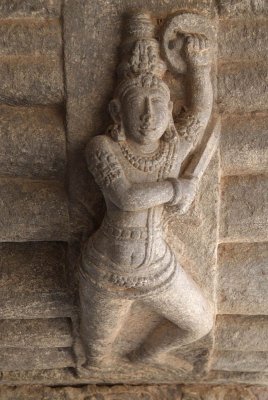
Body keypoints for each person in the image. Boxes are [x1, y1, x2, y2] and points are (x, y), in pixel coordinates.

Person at [79, 13, 214, 369]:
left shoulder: (172, 149)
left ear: (170, 110)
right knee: (96, 352)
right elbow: (124, 198)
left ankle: (146, 355)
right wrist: (175, 188)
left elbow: (200, 114)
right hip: (107, 271)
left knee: (200, 323)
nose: (148, 114)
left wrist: (198, 65)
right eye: (137, 102)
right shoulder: (102, 148)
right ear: (116, 111)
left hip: (158, 268)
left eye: (157, 102)